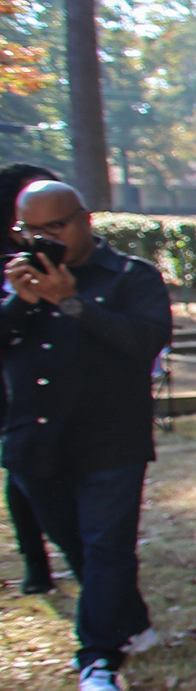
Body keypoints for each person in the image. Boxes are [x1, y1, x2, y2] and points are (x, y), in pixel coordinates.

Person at [2, 181, 172, 691]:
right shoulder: (13, 281)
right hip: (34, 438)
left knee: (105, 546)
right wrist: (22, 304)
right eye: (30, 230)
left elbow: (145, 341)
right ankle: (131, 619)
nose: (42, 239)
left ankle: (98, 660)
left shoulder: (130, 277)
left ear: (85, 221)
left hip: (109, 441)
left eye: (54, 227)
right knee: (78, 546)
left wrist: (71, 303)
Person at [0, 161, 59, 593]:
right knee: (19, 469)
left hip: (56, 374)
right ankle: (35, 560)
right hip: (11, 379)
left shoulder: (65, 253)